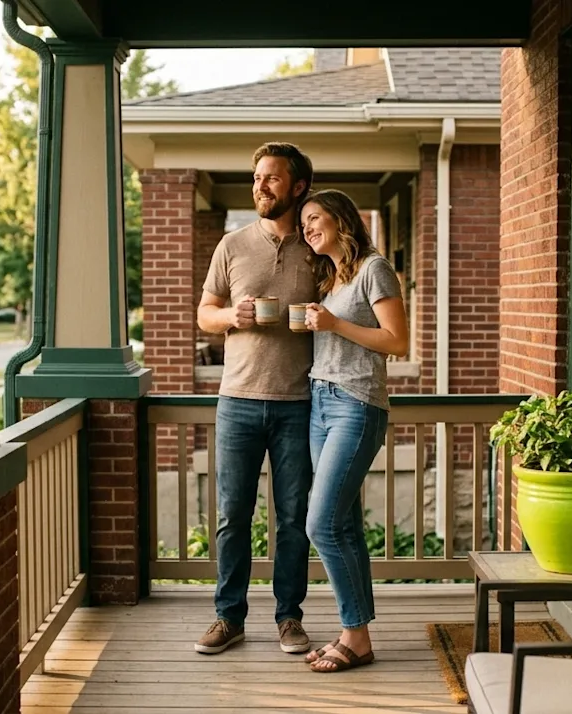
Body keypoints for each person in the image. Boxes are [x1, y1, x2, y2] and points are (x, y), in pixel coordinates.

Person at [194, 142, 318, 655]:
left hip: (299, 402)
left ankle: (289, 618)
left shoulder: (318, 246)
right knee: (232, 515)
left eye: (271, 178)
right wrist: (231, 318)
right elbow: (205, 311)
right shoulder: (232, 244)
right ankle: (229, 617)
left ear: (297, 186)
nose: (260, 186)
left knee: (293, 518)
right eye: (257, 178)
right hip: (238, 400)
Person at [298, 189, 409, 673]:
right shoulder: (333, 278)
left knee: (319, 523)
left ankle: (355, 635)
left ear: (342, 219)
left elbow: (398, 341)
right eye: (303, 223)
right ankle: (356, 634)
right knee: (342, 524)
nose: (307, 228)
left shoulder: (374, 268)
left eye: (314, 218)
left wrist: (335, 324)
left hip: (356, 405)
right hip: (320, 403)